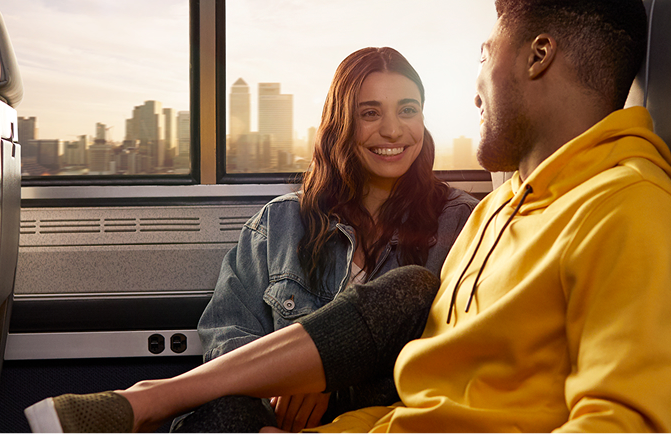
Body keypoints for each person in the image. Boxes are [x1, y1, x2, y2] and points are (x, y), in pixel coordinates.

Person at [24, 0, 671, 431]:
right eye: (369, 112)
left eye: (483, 57)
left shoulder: (627, 209)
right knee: (408, 292)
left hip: (369, 415)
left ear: (538, 54)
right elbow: (436, 380)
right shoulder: (504, 208)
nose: (473, 90)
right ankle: (153, 399)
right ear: (340, 127)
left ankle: (149, 400)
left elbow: (614, 422)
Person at [189, 47, 478, 432]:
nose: (393, 130)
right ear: (340, 122)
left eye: (408, 110)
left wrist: (323, 375)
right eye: (370, 113)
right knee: (217, 412)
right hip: (274, 419)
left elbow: (455, 355)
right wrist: (283, 382)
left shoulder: (462, 222)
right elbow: (224, 335)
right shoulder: (280, 223)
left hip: (384, 417)